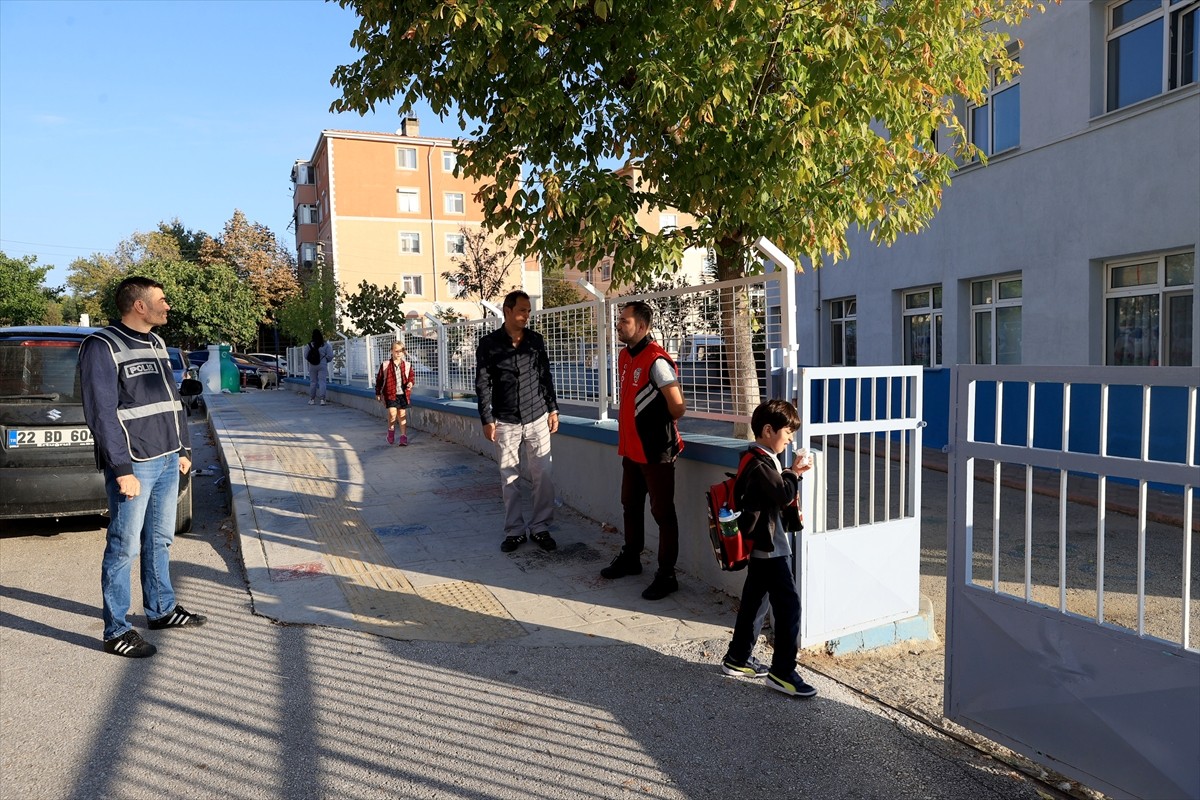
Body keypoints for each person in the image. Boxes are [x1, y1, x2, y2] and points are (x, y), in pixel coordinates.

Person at [79, 276, 206, 659]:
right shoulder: (101, 345)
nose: (167, 306)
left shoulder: (156, 342)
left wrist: (183, 447)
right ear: (139, 305)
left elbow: (171, 399)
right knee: (123, 547)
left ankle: (161, 610)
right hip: (135, 463)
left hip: (169, 458)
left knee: (161, 540)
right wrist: (121, 469)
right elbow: (101, 414)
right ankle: (116, 630)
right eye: (162, 300)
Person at [720, 399, 816, 698]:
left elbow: (775, 489)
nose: (790, 439)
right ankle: (782, 672)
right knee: (789, 607)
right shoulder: (760, 462)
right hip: (771, 547)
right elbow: (783, 493)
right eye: (787, 432)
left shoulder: (757, 458)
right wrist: (795, 473)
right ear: (767, 430)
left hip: (762, 546)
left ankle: (737, 658)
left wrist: (788, 471)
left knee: (755, 601)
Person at [601, 301, 686, 600]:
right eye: (619, 320)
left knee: (663, 514)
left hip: (656, 452)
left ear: (642, 326)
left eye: (624, 320)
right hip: (631, 451)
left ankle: (667, 575)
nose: (619, 324)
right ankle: (631, 558)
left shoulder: (657, 360)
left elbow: (678, 407)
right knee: (630, 505)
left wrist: (651, 425)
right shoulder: (625, 356)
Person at [475, 290, 560, 553]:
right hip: (506, 420)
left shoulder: (536, 341)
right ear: (507, 310)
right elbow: (482, 383)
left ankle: (540, 527)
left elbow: (545, 376)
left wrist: (553, 409)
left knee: (543, 475)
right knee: (509, 476)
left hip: (537, 416)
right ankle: (514, 531)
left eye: (529, 311)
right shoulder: (489, 344)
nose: (527, 315)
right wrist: (487, 419)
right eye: (522, 310)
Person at [375, 341, 415, 445]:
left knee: (402, 414)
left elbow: (411, 376)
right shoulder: (386, 365)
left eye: (401, 351)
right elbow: (379, 379)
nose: (398, 353)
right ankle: (391, 430)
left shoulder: (407, 365)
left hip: (403, 394)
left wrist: (410, 383)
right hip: (390, 393)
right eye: (396, 351)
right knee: (392, 413)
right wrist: (378, 393)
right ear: (391, 351)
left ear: (403, 352)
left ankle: (403, 437)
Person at [306, 328, 334, 405]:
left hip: (312, 366)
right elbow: (330, 356)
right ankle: (322, 400)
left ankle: (312, 399)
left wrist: (312, 360)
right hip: (322, 364)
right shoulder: (325, 345)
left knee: (313, 382)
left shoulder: (309, 345)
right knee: (322, 382)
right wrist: (325, 360)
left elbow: (306, 356)